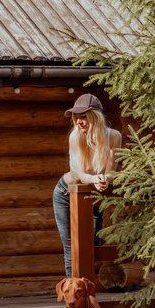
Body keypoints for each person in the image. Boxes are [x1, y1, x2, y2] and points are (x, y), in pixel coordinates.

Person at [52, 93, 122, 278]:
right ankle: (73, 300)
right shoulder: (76, 137)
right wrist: (96, 180)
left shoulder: (114, 136)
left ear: (95, 117)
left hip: (92, 195)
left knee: (93, 246)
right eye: (77, 117)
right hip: (66, 194)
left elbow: (111, 171)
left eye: (84, 117)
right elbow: (81, 175)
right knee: (73, 248)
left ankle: (88, 295)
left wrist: (106, 179)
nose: (79, 121)